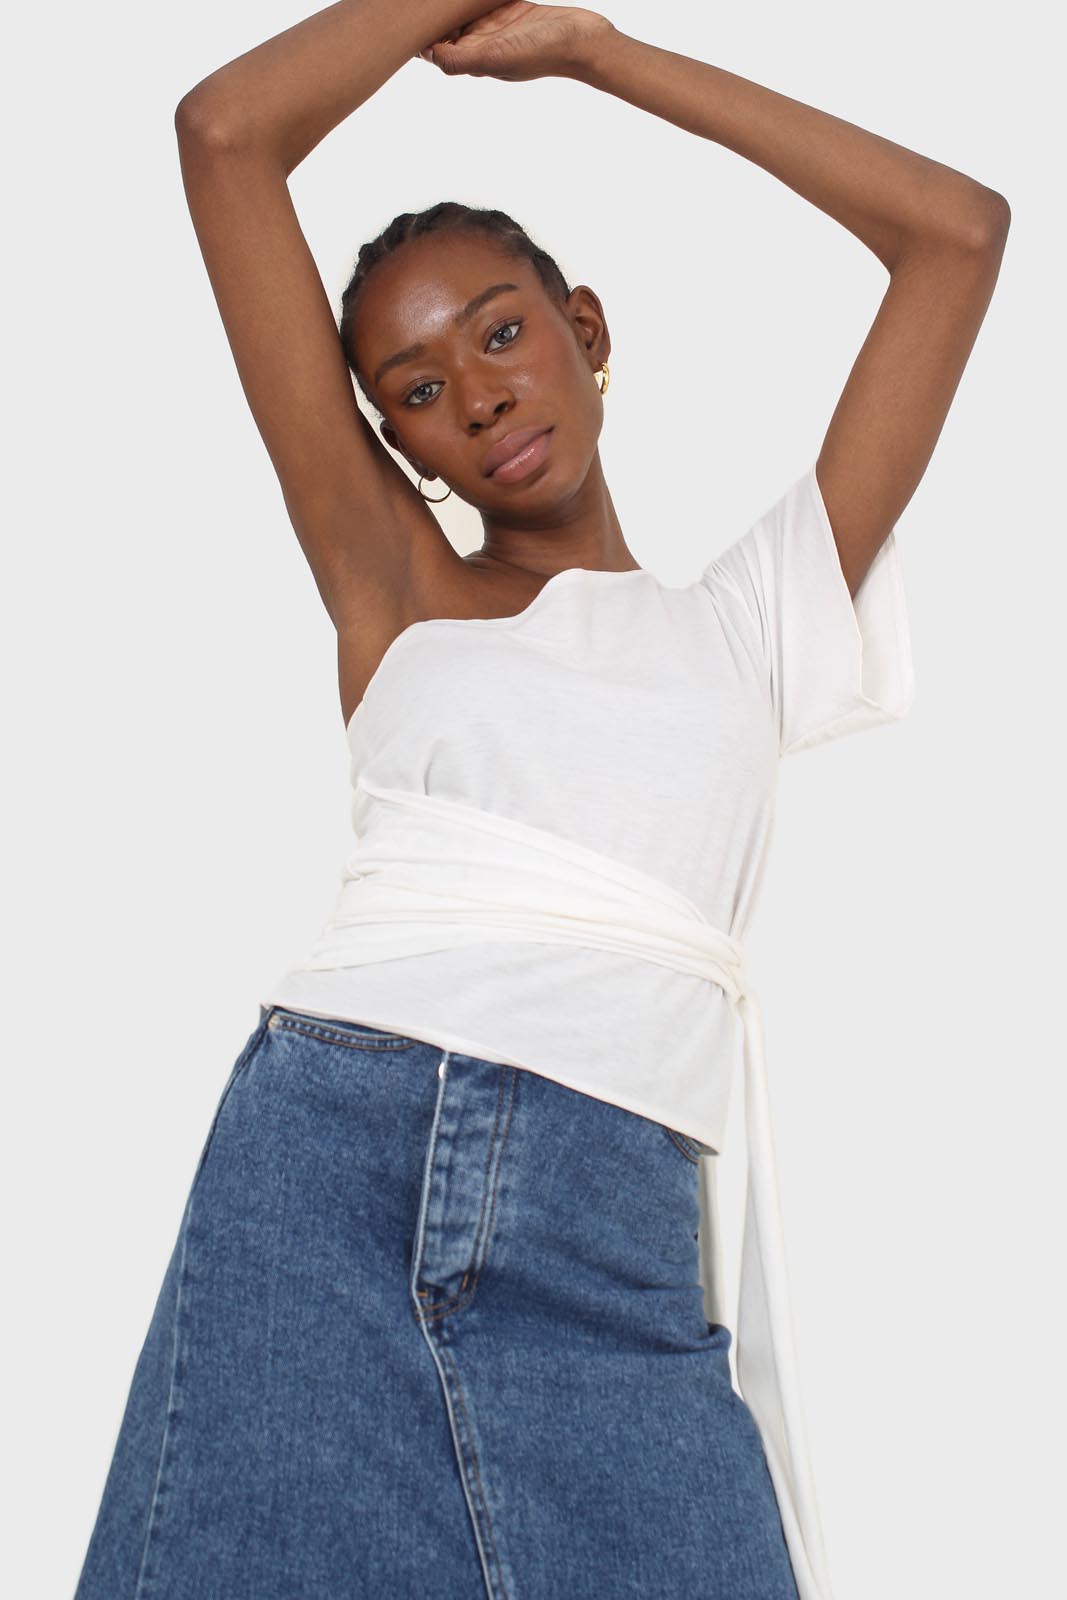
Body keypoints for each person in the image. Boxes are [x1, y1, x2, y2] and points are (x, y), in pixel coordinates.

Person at [73, 4, 1010, 1598]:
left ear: (586, 326)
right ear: (401, 446)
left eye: (503, 335)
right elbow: (224, 136)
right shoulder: (395, 592)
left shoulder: (754, 621)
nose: (481, 396)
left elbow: (956, 235)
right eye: (419, 388)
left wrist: (595, 55)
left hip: (615, 1217)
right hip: (334, 1163)